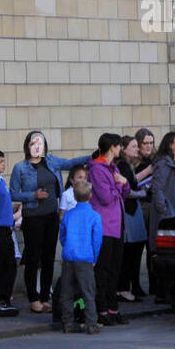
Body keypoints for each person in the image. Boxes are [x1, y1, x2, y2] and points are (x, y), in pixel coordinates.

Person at [10, 131, 92, 314]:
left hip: (51, 216)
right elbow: (13, 193)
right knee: (33, 258)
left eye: (40, 142)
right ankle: (33, 298)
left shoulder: (52, 161)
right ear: (27, 145)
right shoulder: (20, 168)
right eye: (33, 142)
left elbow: (70, 163)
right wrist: (33, 195)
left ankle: (45, 296)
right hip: (32, 216)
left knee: (48, 257)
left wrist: (92, 156)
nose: (37, 146)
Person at [88, 133, 130, 326]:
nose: (121, 149)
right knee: (103, 271)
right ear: (113, 147)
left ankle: (113, 309)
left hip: (117, 225)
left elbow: (125, 192)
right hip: (104, 227)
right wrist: (119, 184)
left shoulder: (112, 168)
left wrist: (124, 183)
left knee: (116, 269)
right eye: (119, 146)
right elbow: (105, 197)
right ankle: (103, 310)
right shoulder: (96, 169)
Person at [55, 180, 103, 335]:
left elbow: (62, 235)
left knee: (66, 292)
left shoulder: (68, 215)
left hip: (69, 257)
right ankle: (91, 324)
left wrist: (67, 247)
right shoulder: (95, 216)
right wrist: (94, 256)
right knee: (88, 292)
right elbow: (97, 239)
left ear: (74, 197)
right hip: (85, 257)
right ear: (90, 196)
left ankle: (68, 323)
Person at [146, 131, 175, 299]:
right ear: (171, 144)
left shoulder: (173, 163)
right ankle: (162, 292)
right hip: (167, 216)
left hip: (174, 213)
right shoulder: (164, 163)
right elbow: (157, 189)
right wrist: (164, 211)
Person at [116, 137, 148, 302]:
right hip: (128, 211)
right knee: (129, 252)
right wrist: (141, 193)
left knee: (135, 251)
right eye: (134, 146)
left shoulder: (127, 165)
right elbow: (126, 190)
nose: (137, 149)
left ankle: (131, 286)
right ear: (124, 149)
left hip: (133, 211)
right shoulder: (121, 166)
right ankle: (123, 288)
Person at [0, 149, 18, 316]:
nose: (3, 163)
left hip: (7, 228)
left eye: (3, 160)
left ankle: (5, 298)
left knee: (10, 265)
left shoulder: (1, 181)